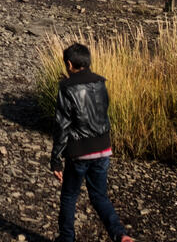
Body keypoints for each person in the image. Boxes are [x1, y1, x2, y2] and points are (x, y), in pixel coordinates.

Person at [50, 43, 134, 242]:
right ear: (88, 62)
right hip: (104, 148)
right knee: (99, 197)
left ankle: (67, 238)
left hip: (79, 151)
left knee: (69, 196)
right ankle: (120, 234)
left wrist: (55, 159)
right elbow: (103, 114)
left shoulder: (67, 87)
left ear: (69, 64)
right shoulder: (100, 82)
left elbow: (62, 125)